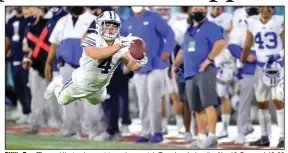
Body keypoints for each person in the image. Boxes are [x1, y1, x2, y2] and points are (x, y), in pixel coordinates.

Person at [46, 10, 147, 132]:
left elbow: (131, 65)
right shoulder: (92, 38)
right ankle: (74, 130)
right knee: (66, 102)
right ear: (100, 25)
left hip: (101, 83)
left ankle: (103, 134)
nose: (110, 29)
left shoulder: (118, 43)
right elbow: (97, 54)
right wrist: (119, 46)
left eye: (113, 26)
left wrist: (140, 59)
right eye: (107, 25)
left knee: (96, 115)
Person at [172, 6, 225, 148]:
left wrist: (208, 60)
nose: (197, 10)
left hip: (204, 71)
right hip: (189, 73)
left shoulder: (211, 26)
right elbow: (183, 50)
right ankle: (202, 137)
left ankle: (212, 138)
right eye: (194, 7)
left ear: (206, 11)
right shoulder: (189, 30)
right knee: (196, 108)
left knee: (208, 104)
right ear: (190, 11)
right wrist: (175, 65)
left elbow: (220, 43)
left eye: (200, 7)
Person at [122, 6, 175, 143]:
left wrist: (167, 51)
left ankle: (157, 131)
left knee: (155, 100)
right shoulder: (128, 22)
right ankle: (146, 132)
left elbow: (169, 34)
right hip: (139, 67)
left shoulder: (154, 17)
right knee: (143, 101)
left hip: (157, 65)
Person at [239, 6, 284, 148]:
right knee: (261, 102)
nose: (266, 10)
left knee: (278, 100)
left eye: (269, 7)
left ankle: (283, 136)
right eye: (263, 6)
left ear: (273, 8)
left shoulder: (280, 21)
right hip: (259, 67)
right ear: (258, 8)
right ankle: (265, 137)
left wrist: (280, 56)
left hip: (277, 66)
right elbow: (247, 45)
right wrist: (241, 63)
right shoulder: (252, 22)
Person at [22, 6, 61, 133]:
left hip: (53, 65)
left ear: (39, 11)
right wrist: (28, 59)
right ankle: (35, 124)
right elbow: (29, 48)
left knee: (57, 98)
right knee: (36, 98)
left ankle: (65, 125)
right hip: (36, 66)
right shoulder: (27, 28)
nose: (29, 15)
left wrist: (50, 63)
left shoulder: (49, 24)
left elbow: (54, 45)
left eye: (31, 12)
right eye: (26, 13)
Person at [207, 6, 234, 139]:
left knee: (223, 94)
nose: (219, 8)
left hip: (223, 58)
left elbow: (231, 31)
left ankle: (224, 127)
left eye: (222, 6)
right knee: (207, 94)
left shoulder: (229, 17)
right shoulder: (205, 16)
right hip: (208, 57)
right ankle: (209, 126)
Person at [5, 6, 32, 124]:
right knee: (19, 88)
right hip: (14, 59)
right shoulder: (10, 20)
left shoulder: (28, 20)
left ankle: (32, 114)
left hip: (26, 60)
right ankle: (25, 113)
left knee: (28, 88)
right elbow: (6, 38)